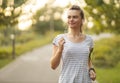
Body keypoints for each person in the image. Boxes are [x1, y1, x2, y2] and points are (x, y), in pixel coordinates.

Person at [50, 5, 96, 83]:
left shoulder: (89, 40)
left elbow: (88, 59)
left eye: (75, 17)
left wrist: (91, 69)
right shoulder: (60, 38)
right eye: (69, 17)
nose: (71, 19)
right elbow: (53, 66)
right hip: (66, 80)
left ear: (82, 20)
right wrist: (60, 50)